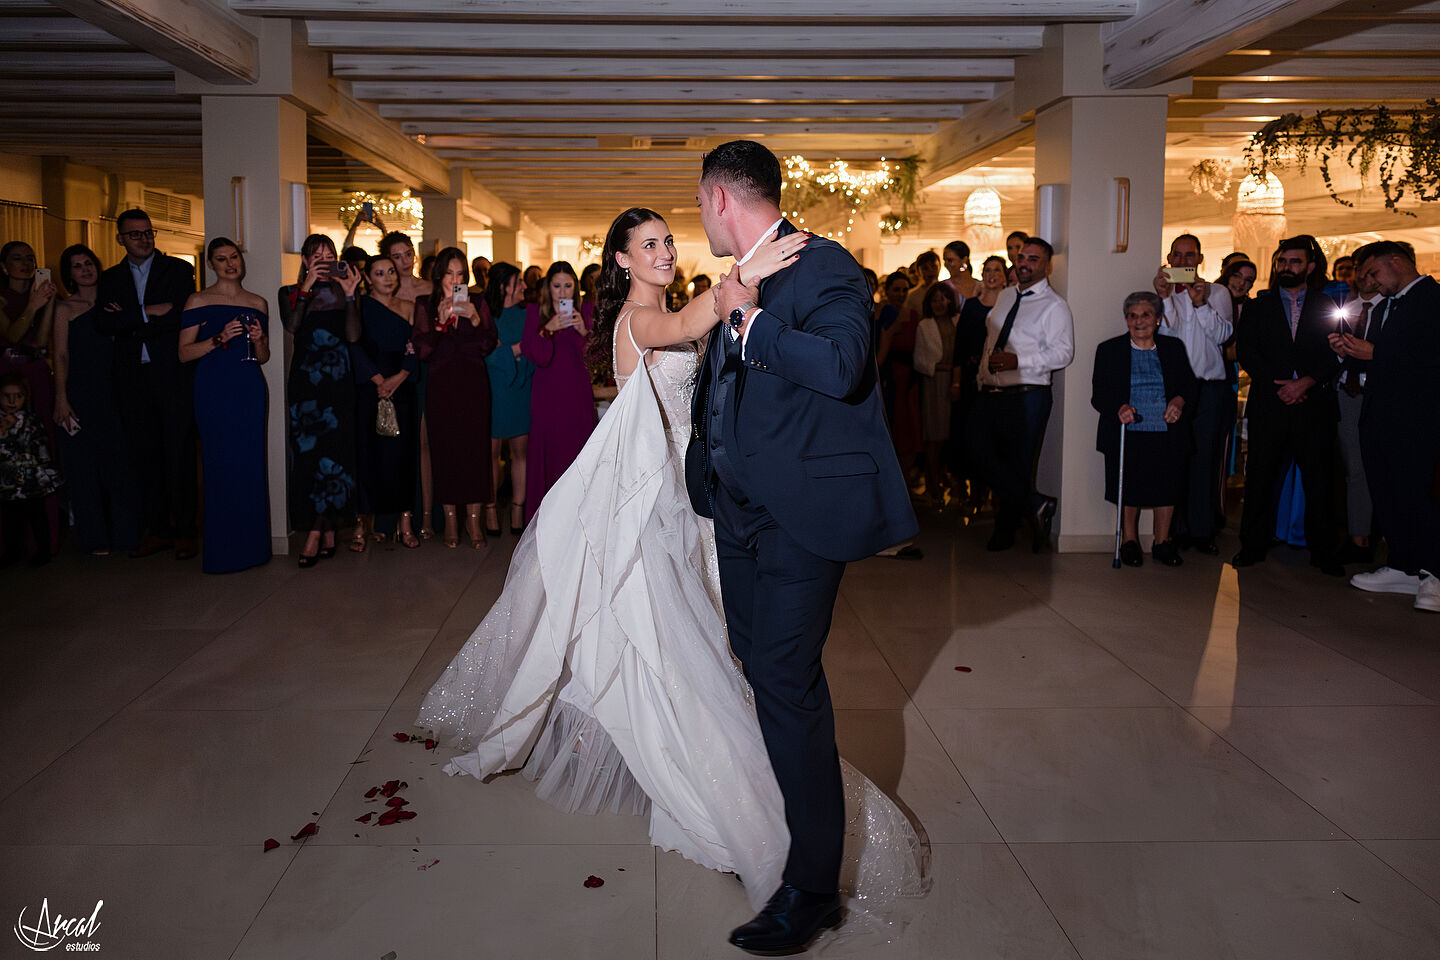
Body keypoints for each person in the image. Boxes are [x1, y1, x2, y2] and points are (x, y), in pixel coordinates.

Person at [691, 141, 922, 953]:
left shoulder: (823, 266)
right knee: (763, 666)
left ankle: (812, 886)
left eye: (698, 204)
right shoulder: (741, 277)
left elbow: (842, 365)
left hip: (797, 518)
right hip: (740, 515)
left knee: (786, 677)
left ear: (721, 198)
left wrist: (744, 318)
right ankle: (795, 824)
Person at [1232, 235, 1343, 576]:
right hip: (1270, 401)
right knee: (1261, 478)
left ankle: (1324, 552)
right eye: (1282, 262)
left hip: (1314, 403)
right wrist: (1275, 384)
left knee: (1319, 480)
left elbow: (1339, 351)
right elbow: (1247, 351)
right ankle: (1252, 546)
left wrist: (1307, 381)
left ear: (1309, 267)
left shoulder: (1328, 305)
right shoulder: (1257, 306)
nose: (1286, 267)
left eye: (1294, 262)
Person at [1338, 241, 1440, 612]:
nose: (1370, 283)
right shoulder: (1388, 306)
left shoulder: (1432, 299)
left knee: (1416, 493)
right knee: (1388, 491)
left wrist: (1376, 353)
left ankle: (1435, 572)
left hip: (1418, 417)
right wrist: (1350, 351)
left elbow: (1430, 357)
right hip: (1380, 413)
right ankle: (1404, 565)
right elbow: (1381, 359)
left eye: (1371, 273)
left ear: (1395, 261)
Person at [94, 208, 199, 560]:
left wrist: (128, 319)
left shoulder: (179, 270)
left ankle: (185, 531)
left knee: (179, 452)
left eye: (147, 232)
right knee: (143, 453)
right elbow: (102, 324)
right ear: (120, 238)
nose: (143, 239)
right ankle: (158, 530)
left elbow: (179, 315)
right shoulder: (109, 278)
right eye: (135, 234)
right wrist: (146, 313)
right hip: (131, 378)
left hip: (171, 373)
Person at [968, 236, 1074, 552]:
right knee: (975, 454)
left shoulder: (1055, 306)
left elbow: (1064, 353)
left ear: (1047, 265)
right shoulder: (1004, 296)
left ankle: (1005, 530)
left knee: (1017, 464)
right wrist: (981, 376)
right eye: (1022, 256)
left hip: (1028, 395)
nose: (1024, 263)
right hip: (990, 391)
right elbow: (992, 340)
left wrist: (1020, 360)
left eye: (1033, 259)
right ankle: (1036, 504)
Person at [178, 237, 271, 574]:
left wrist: (259, 340)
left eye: (234, 257)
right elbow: (183, 352)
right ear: (211, 265)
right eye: (221, 259)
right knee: (219, 466)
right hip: (214, 388)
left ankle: (254, 550)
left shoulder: (257, 302)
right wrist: (218, 339)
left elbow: (263, 357)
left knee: (250, 465)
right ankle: (223, 553)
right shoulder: (198, 300)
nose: (230, 264)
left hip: (249, 387)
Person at [1092, 292, 1197, 567]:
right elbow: (1099, 394)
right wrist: (1119, 408)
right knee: (1128, 486)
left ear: (1158, 320)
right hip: (1127, 432)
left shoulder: (1173, 348)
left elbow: (1189, 386)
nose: (1139, 321)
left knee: (1168, 486)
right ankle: (1130, 541)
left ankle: (1162, 542)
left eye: (1146, 315)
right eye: (1133, 315)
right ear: (1126, 319)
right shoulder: (1109, 350)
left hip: (1167, 429)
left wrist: (1178, 400)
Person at [50, 244, 139, 556]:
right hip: (79, 393)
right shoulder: (64, 308)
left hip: (115, 391)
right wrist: (61, 398)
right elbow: (60, 355)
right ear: (69, 274)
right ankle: (94, 538)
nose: (85, 269)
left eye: (89, 263)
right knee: (82, 468)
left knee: (120, 465)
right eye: (77, 266)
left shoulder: (113, 301)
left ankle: (127, 535)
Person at [280, 234, 363, 567]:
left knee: (337, 456)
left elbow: (354, 336)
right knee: (309, 458)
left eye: (330, 254)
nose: (325, 260)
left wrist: (352, 294)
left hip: (339, 384)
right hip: (306, 387)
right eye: (318, 256)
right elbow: (292, 326)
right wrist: (307, 286)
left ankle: (323, 530)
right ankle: (318, 530)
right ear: (305, 260)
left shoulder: (344, 293)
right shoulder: (289, 292)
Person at [1153, 234, 1234, 555]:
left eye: (1190, 256)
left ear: (1200, 260)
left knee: (1204, 458)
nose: (1183, 261)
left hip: (1209, 386)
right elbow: (1165, 335)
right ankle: (1173, 530)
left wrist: (1200, 303)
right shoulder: (1162, 294)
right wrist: (1165, 297)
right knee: (1173, 457)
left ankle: (1202, 531)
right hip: (1173, 388)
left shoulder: (1218, 292)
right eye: (1178, 255)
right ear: (1169, 258)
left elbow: (1223, 335)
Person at [412, 247, 497, 548]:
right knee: (445, 450)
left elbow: (489, 344)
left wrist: (474, 318)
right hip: (441, 385)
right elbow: (421, 350)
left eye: (460, 274)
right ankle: (449, 520)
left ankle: (474, 522)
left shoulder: (477, 301)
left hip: (473, 384)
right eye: (450, 273)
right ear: (440, 276)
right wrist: (439, 321)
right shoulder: (426, 303)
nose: (455, 279)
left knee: (475, 450)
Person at [353, 254, 420, 550]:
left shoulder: (409, 308)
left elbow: (416, 347)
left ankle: (404, 521)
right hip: (371, 387)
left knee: (402, 456)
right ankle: (362, 523)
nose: (388, 277)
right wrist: (379, 380)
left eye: (391, 271)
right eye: (379, 273)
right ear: (367, 278)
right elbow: (352, 345)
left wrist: (400, 376)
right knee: (368, 455)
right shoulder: (361, 307)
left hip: (402, 387)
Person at [521, 261, 597, 524]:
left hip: (577, 396)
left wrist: (583, 332)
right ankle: (546, 524)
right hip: (547, 397)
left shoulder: (587, 310)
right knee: (549, 455)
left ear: (575, 287)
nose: (563, 292)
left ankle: (578, 524)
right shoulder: (535, 313)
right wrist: (548, 329)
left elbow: (596, 360)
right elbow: (537, 356)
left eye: (568, 285)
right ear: (547, 288)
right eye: (557, 286)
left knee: (578, 454)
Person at [380, 231, 434, 539]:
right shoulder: (383, 292)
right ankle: (395, 517)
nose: (404, 261)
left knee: (426, 444)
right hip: (396, 374)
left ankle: (427, 515)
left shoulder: (428, 288)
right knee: (398, 445)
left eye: (408, 253)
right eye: (396, 256)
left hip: (427, 371)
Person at [1329, 263, 1384, 565]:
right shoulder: (1346, 308)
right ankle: (1357, 538)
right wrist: (1337, 350)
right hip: (1347, 394)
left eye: (1371, 272)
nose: (1365, 277)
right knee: (1354, 468)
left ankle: (1379, 537)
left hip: (1380, 395)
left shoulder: (1392, 309)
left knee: (1383, 467)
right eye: (1360, 272)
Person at [948, 255, 1004, 505]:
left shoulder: (1011, 304)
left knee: (996, 438)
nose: (992, 274)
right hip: (972, 378)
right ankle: (974, 494)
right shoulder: (970, 306)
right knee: (971, 436)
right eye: (988, 269)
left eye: (997, 270)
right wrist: (957, 382)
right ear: (982, 273)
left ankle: (995, 495)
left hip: (1001, 378)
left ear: (1004, 275)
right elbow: (959, 348)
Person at [482, 261, 532, 536]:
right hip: (491, 389)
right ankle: (490, 509)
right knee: (489, 453)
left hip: (521, 387)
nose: (524, 285)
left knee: (519, 452)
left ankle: (517, 508)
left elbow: (534, 349)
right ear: (504, 286)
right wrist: (516, 349)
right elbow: (485, 353)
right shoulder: (486, 314)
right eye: (518, 281)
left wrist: (508, 351)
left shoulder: (528, 314)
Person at [0, 372, 62, 565]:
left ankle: (42, 553)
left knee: (37, 518)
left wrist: (49, 476)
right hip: (7, 483)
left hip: (31, 481)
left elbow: (37, 447)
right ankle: (12, 554)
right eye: (6, 396)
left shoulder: (31, 420)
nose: (12, 401)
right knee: (10, 522)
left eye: (18, 396)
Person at [1, 241, 58, 433]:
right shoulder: (3, 297)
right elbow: (12, 336)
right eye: (17, 259)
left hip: (36, 367)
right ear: (4, 267)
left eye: (29, 259)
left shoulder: (38, 294)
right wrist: (33, 305)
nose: (25, 264)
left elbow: (40, 342)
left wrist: (49, 303)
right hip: (7, 371)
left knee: (42, 425)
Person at [912, 281, 960, 503]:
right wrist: (945, 368)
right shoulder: (925, 325)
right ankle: (932, 483)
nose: (939, 303)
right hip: (934, 384)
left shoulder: (957, 321)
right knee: (934, 438)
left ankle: (947, 477)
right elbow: (920, 362)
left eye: (942, 298)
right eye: (934, 300)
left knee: (954, 436)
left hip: (957, 382)